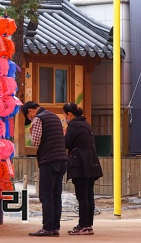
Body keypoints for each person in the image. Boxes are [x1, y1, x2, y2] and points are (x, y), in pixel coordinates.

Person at [21, 101, 68, 237]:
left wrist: (31, 132)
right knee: (56, 195)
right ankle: (55, 227)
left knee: (46, 195)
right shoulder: (55, 117)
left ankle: (47, 228)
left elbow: (35, 141)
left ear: (30, 111)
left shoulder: (38, 119)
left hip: (49, 160)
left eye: (28, 117)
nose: (30, 119)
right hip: (62, 160)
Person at [63, 103, 103, 236]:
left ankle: (83, 225)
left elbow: (65, 143)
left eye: (65, 115)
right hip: (92, 164)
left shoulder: (74, 125)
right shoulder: (86, 124)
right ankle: (88, 225)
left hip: (80, 165)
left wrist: (63, 134)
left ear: (69, 114)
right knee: (89, 195)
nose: (65, 118)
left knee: (82, 196)